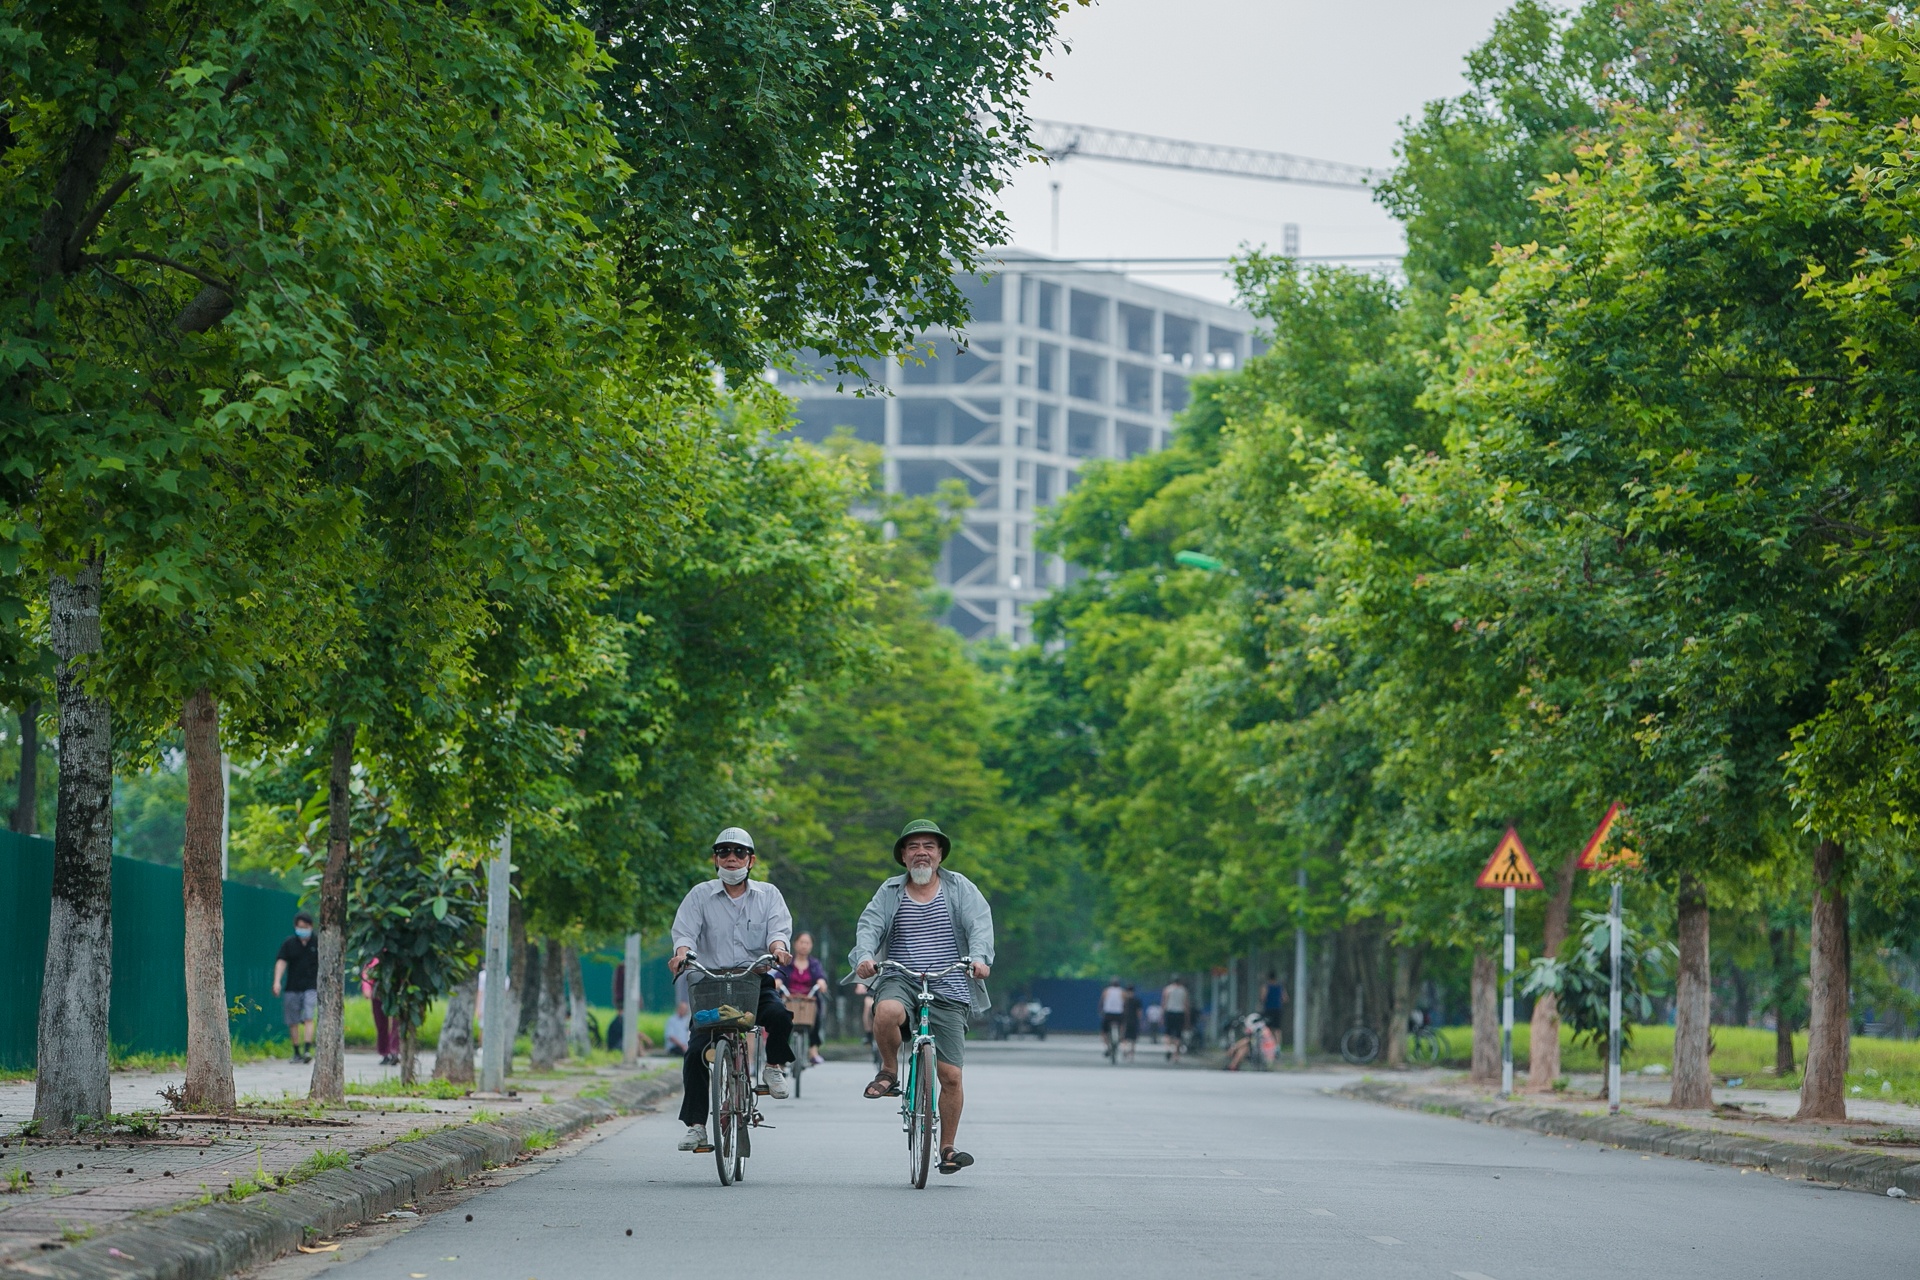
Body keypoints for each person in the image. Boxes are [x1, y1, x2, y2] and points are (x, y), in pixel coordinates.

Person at [852, 818, 994, 1176]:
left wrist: (979, 959)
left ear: (940, 854)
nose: (921, 853)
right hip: (901, 976)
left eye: (929, 846)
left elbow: (980, 925)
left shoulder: (960, 888)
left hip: (949, 982)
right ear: (903, 855)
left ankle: (946, 1148)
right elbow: (869, 927)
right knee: (884, 1011)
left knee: (950, 1076)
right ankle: (888, 1070)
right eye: (913, 847)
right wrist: (866, 957)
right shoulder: (890, 891)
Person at [667, 827, 796, 1153]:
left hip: (753, 981)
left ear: (751, 860)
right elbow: (684, 933)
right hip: (709, 985)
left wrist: (778, 949)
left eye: (739, 853)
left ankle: (773, 1067)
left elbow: (778, 932)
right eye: (724, 852)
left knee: (779, 1015)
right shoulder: (699, 895)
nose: (731, 858)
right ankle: (697, 1127)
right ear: (715, 859)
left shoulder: (769, 895)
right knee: (696, 1051)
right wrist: (681, 955)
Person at [774, 931, 829, 1066]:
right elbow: (778, 976)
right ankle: (780, 1054)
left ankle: (813, 1050)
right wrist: (778, 982)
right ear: (795, 944)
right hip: (789, 999)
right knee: (780, 1020)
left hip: (808, 1000)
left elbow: (820, 977)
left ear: (811, 946)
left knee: (816, 1013)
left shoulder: (814, 964)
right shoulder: (788, 963)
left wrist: (821, 982)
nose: (804, 946)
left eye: (807, 943)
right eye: (802, 942)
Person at [272, 912, 319, 1063]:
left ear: (311, 927)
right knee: (292, 1020)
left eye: (305, 927)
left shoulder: (317, 942)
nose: (302, 930)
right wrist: (277, 981)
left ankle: (307, 1049)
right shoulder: (289, 943)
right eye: (299, 927)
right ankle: (296, 1051)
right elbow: (281, 962)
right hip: (292, 986)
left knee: (309, 1016)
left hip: (312, 986)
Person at [361, 958, 398, 1066]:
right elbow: (367, 971)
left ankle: (394, 1050)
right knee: (381, 1024)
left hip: (396, 990)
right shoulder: (375, 955)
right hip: (378, 992)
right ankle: (385, 1052)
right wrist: (367, 988)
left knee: (397, 1022)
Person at [1161, 976, 1192, 1062]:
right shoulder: (1183, 990)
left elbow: (1164, 1002)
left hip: (1169, 1012)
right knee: (1178, 1035)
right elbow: (1186, 1004)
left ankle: (1167, 1049)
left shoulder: (1168, 989)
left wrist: (1162, 1015)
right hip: (1180, 1013)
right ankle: (1176, 1055)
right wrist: (1187, 1017)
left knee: (1167, 1033)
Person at [1099, 977, 1126, 1057]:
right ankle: (1121, 1036)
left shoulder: (1106, 991)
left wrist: (1101, 1010)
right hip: (1119, 1014)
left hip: (1108, 1013)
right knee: (1122, 1026)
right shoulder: (1122, 992)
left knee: (1104, 1031)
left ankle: (1107, 1047)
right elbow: (1125, 1003)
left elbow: (1102, 1002)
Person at [1121, 983, 1142, 1063]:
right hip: (1134, 1021)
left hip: (1125, 1021)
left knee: (1124, 1038)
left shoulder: (1124, 1001)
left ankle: (1124, 1050)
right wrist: (1140, 1021)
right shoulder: (1137, 1000)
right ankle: (1131, 1055)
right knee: (1133, 1039)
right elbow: (1139, 1013)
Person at [1261, 970, 1286, 1039]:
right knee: (1277, 1028)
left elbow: (1263, 998)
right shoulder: (1280, 987)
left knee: (1268, 1028)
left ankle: (1269, 1044)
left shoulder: (1266, 987)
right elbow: (1285, 998)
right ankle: (1277, 1046)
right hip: (1278, 1009)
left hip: (1268, 1009)